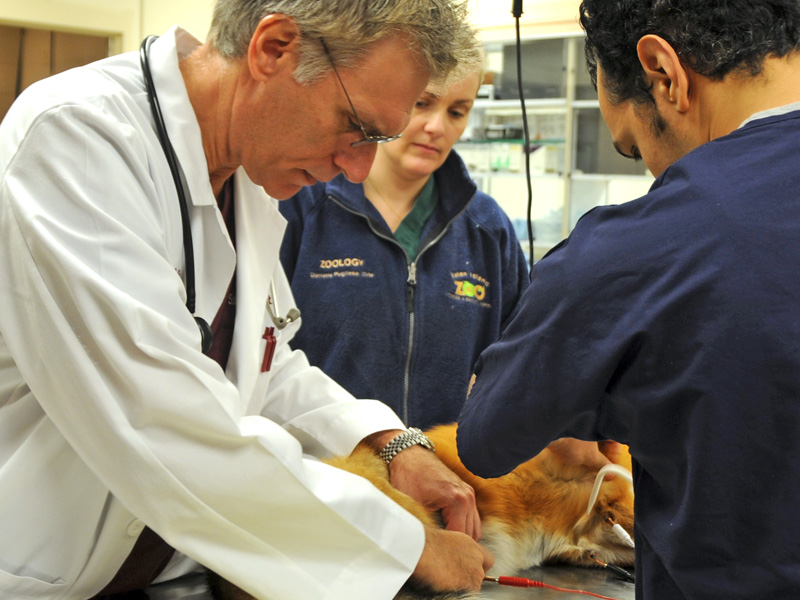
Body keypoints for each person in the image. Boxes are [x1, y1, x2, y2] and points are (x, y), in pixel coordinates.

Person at [0, 1, 494, 599]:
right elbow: (166, 420)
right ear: (274, 49)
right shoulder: (76, 138)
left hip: (171, 573)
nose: (359, 169)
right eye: (354, 126)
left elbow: (265, 359)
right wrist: (404, 544)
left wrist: (383, 441)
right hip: (44, 575)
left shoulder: (247, 175)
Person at [456, 1, 800, 598]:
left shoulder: (641, 243)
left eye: (634, 148)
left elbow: (487, 436)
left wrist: (592, 403)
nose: (651, 176)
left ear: (663, 73)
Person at [279, 51, 530, 430]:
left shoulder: (487, 229)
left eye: (456, 112)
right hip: (325, 471)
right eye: (422, 104)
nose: (437, 126)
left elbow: (519, 360)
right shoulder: (304, 206)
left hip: (448, 476)